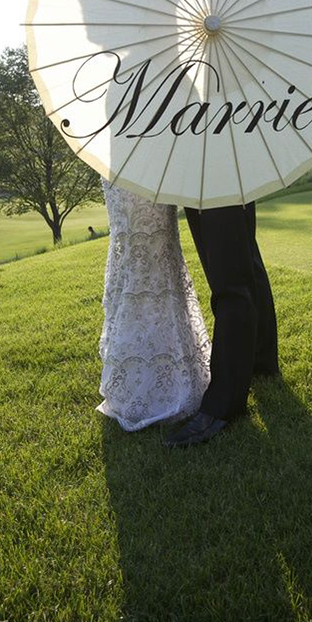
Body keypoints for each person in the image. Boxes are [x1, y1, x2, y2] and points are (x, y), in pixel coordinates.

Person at [97, 178, 211, 431]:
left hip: (154, 165)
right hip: (121, 165)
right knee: (131, 252)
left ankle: (173, 375)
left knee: (160, 250)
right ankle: (138, 383)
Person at [165, 203, 278, 448]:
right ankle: (261, 362)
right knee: (245, 258)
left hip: (214, 172)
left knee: (229, 280)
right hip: (209, 172)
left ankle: (223, 404)